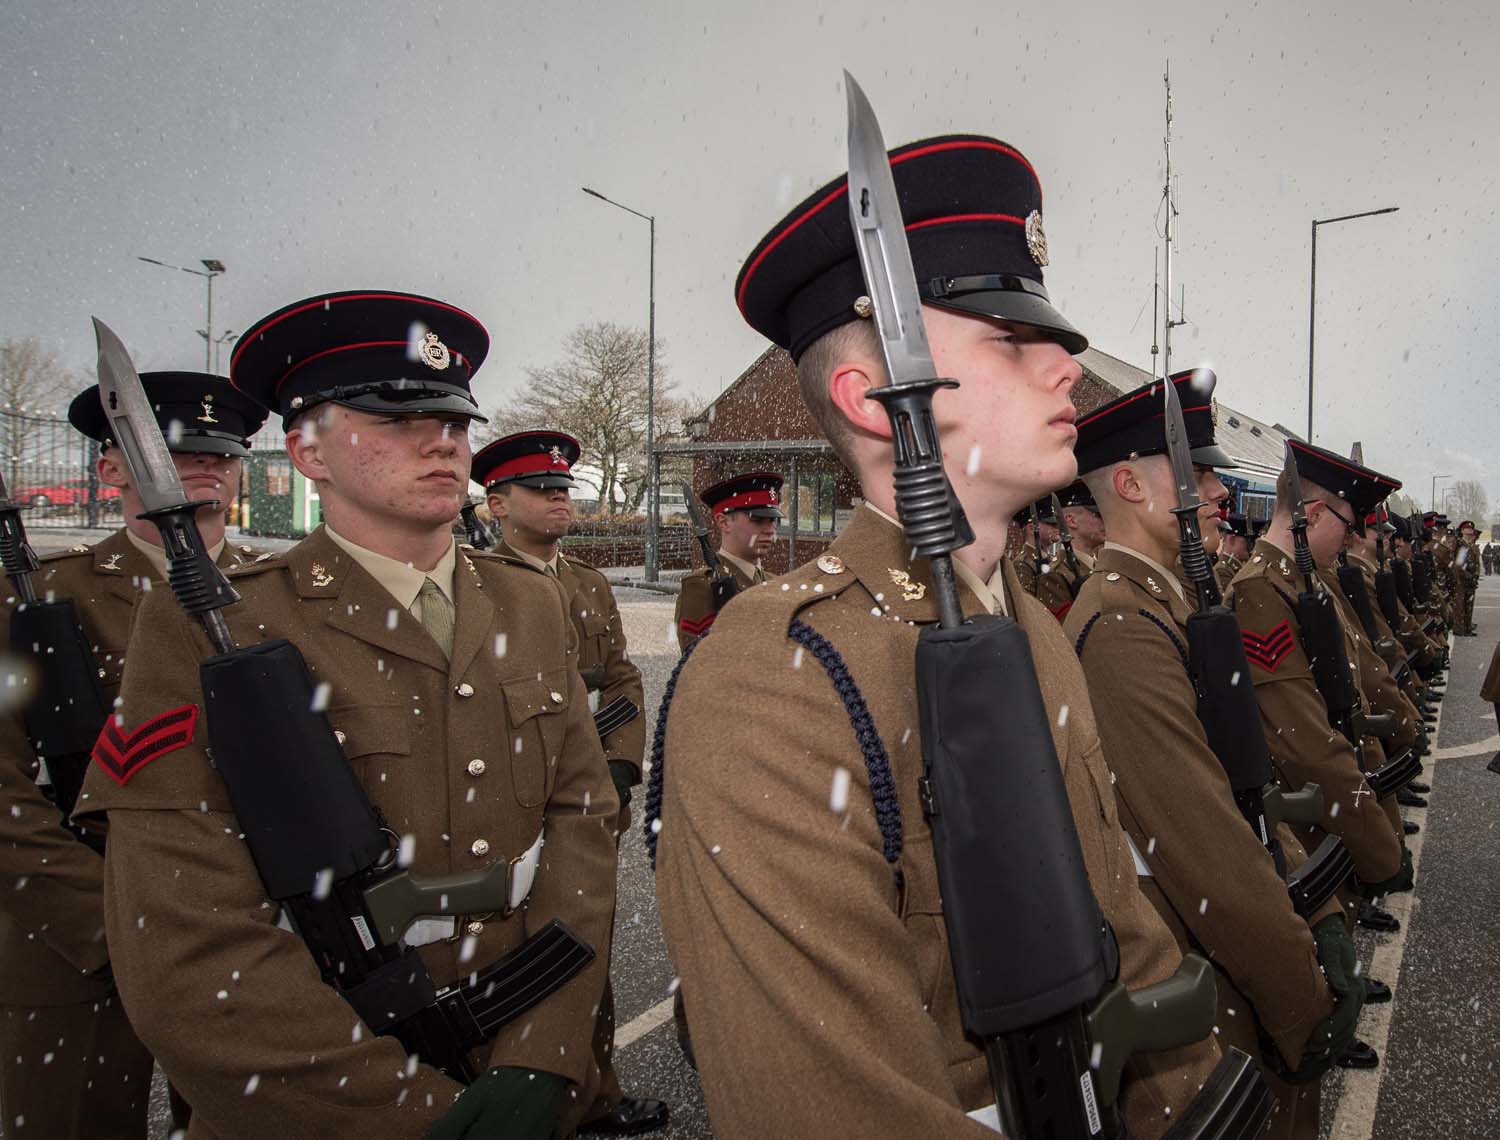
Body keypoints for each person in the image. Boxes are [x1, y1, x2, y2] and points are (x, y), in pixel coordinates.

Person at [653, 132, 1226, 1139]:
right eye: (1009, 339)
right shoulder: (776, 673)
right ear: (873, 405)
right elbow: (827, 1106)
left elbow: (1125, 942)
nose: (1067, 361)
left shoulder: (1031, 632)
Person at [75, 291, 619, 1138]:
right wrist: (408, 1115)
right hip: (329, 1086)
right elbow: (186, 938)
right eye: (394, 418)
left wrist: (544, 1055)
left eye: (454, 418)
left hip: (529, 1051)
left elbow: (582, 823)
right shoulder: (215, 624)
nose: (443, 438)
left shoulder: (528, 603)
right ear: (305, 452)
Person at [1065, 369, 1360, 1139]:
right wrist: (1298, 989)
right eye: (1195, 475)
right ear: (1128, 484)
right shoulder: (1124, 625)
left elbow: (1247, 777)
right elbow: (1203, 842)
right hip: (1200, 953)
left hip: (1233, 937)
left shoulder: (1172, 602)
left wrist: (1313, 900)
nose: (1218, 490)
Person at [0, 372, 266, 1139]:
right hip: (77, 935)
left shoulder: (286, 592)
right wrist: (112, 915)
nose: (206, 466)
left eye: (222, 452)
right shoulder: (43, 599)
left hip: (246, 927)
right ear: (111, 468)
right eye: (176, 452)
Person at [472, 429, 667, 1136]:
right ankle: (522, 1095)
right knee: (508, 957)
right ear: (496, 504)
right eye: (541, 492)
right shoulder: (474, 582)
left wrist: (615, 767)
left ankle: (595, 1094)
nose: (559, 502)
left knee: (585, 941)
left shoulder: (584, 584)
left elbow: (619, 682)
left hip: (588, 801)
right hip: (510, 800)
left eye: (563, 491)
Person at [1227, 441, 1412, 941]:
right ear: (1311, 514)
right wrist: (1377, 840)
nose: (1353, 538)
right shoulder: (1260, 591)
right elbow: (1302, 740)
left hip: (1331, 799)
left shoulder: (1308, 582)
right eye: (1348, 525)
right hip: (1306, 806)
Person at [673, 472, 781, 650]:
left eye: (772, 520)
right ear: (723, 522)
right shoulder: (701, 587)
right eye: (758, 520)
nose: (770, 530)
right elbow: (699, 661)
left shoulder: (776, 583)